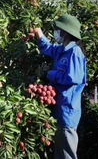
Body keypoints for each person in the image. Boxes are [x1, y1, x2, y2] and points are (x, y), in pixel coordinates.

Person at [34, 14, 86, 159]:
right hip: (58, 110)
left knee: (66, 155)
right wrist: (38, 31)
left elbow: (71, 78)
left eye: (57, 29)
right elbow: (46, 47)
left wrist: (50, 74)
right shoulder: (61, 50)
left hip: (66, 113)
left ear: (64, 31)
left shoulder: (74, 52)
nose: (55, 32)